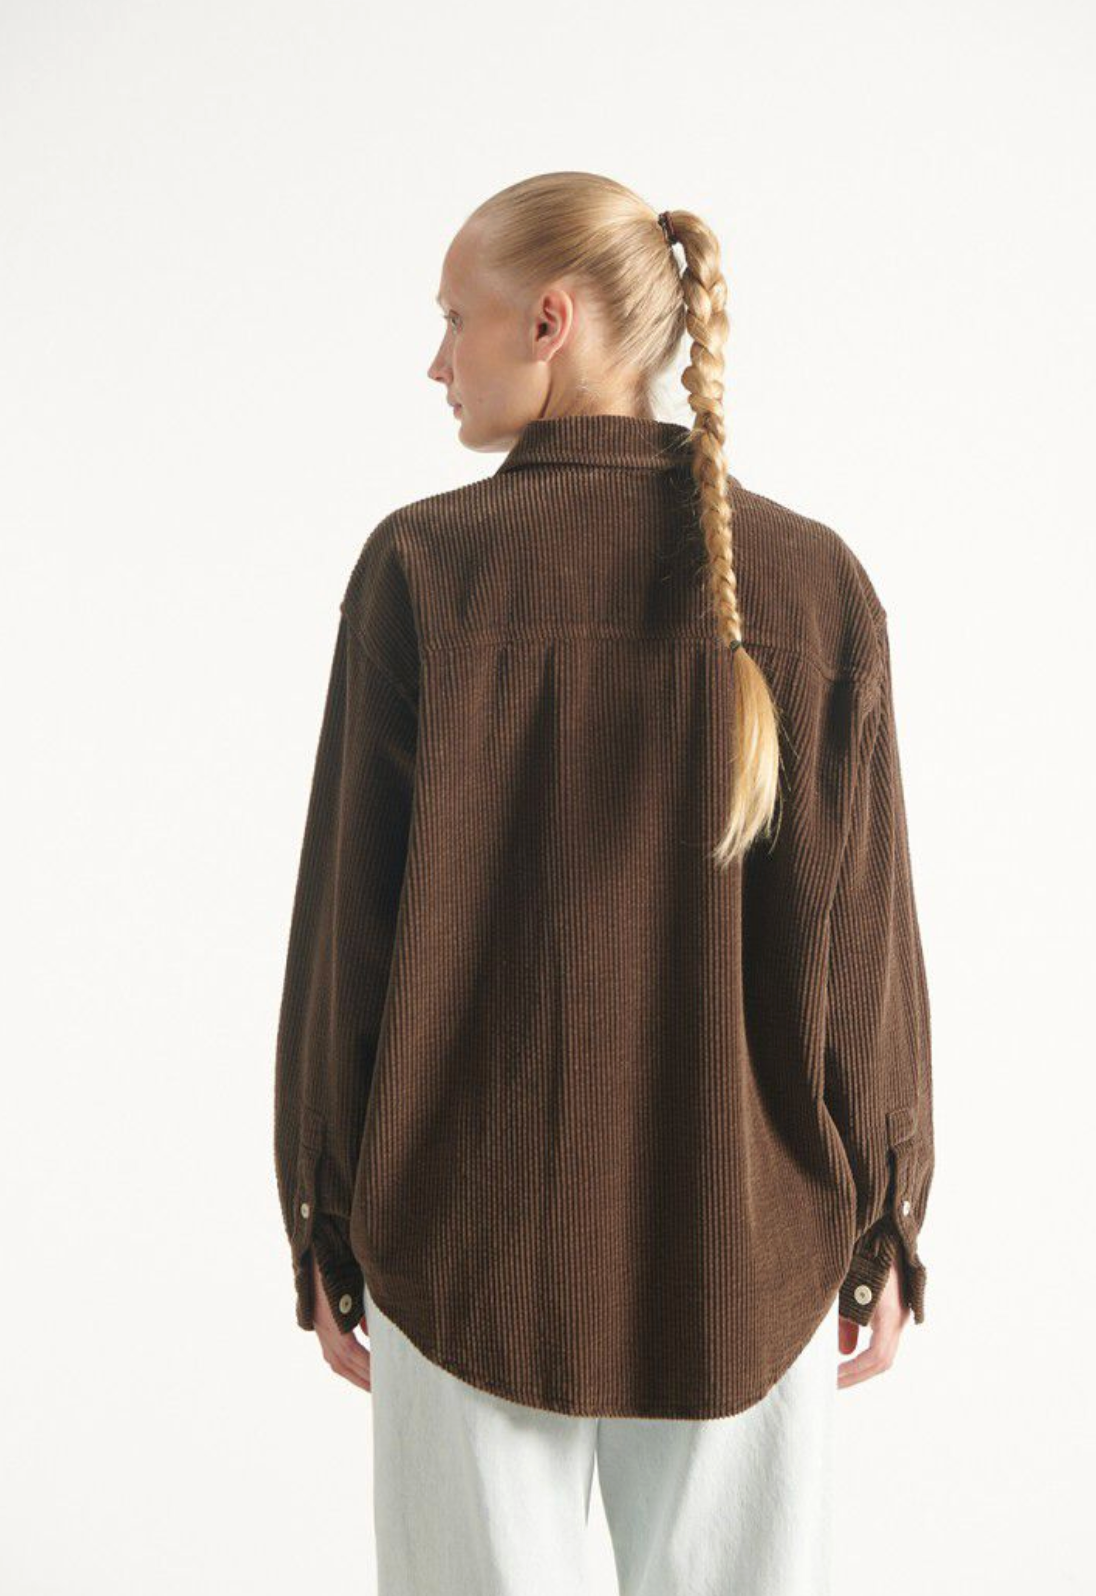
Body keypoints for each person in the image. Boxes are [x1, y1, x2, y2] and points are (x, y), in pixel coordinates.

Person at [273, 170, 934, 1595]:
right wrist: (887, 1215)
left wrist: (322, 1205)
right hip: (748, 1241)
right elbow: (868, 946)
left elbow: (348, 933)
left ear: (550, 321)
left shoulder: (422, 570)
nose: (437, 362)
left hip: (465, 1236)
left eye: (455, 318)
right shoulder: (813, 581)